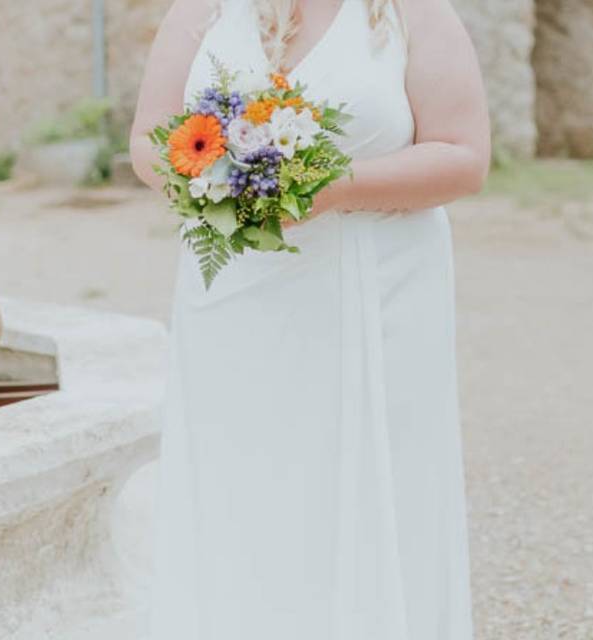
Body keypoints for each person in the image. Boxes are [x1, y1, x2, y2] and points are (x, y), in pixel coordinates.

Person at [130, 1, 490, 638]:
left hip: (375, 294)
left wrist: (334, 187)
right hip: (234, 304)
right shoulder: (202, 11)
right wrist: (211, 185)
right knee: (243, 491)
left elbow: (464, 155)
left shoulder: (409, 13)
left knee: (367, 493)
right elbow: (148, 139)